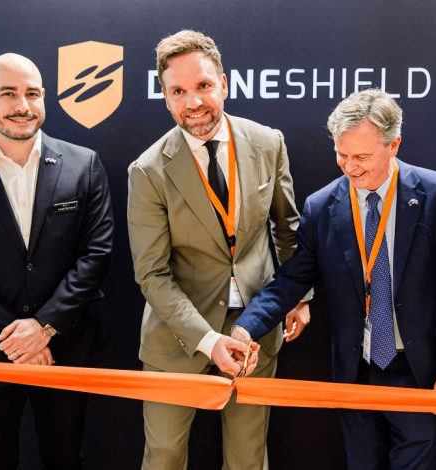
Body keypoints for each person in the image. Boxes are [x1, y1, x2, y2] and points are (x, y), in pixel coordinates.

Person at [232, 89, 436, 469]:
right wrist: (245, 328)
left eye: (362, 157)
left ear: (394, 144)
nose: (350, 168)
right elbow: (290, 281)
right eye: (341, 155)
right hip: (356, 372)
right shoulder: (321, 206)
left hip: (420, 372)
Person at [127, 30, 310, 470]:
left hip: (255, 330)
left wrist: (298, 297)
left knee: (248, 459)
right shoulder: (147, 171)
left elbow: (287, 229)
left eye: (203, 86)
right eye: (178, 91)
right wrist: (208, 342)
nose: (193, 102)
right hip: (177, 336)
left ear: (224, 84)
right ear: (166, 97)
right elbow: (152, 274)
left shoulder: (268, 143)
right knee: (164, 458)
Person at [0, 53, 115, 469]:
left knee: (64, 460)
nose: (23, 106)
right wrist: (17, 340)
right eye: (8, 94)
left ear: (44, 96)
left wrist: (45, 327)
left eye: (32, 93)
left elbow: (96, 255)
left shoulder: (83, 164)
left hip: (66, 348)